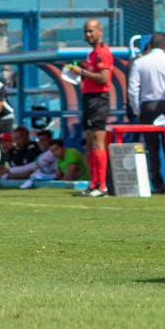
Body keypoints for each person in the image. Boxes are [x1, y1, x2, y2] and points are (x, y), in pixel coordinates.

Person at [127, 32, 165, 193]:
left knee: (151, 148)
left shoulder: (140, 62)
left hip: (147, 106)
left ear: (150, 45)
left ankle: (157, 184)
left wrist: (137, 109)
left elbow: (133, 89)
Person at [69, 19, 113, 197]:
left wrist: (82, 72)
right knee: (89, 141)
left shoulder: (103, 52)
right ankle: (93, 183)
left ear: (100, 31)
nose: (88, 35)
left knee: (97, 140)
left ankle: (101, 186)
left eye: (91, 31)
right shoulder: (92, 54)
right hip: (89, 98)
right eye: (86, 31)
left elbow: (103, 78)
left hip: (98, 99)